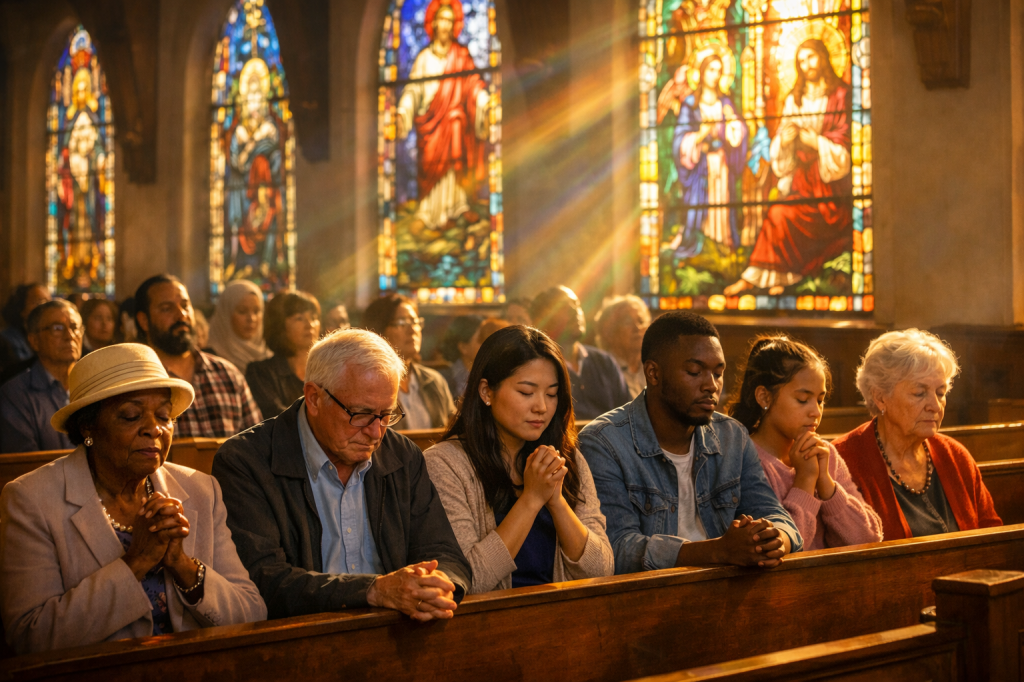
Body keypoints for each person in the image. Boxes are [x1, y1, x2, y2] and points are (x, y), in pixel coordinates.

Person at [0, 344, 266, 654]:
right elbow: (31, 636)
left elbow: (252, 613)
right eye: (130, 415)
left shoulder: (200, 490)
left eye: (164, 416)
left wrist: (183, 566)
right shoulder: (32, 500)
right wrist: (136, 561)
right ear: (88, 426)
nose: (154, 429)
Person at [212, 329, 471, 620]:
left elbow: (444, 552)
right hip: (298, 641)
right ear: (313, 398)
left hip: (398, 630)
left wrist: (436, 585)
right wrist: (373, 591)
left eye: (387, 414)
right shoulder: (248, 460)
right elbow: (264, 579)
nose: (376, 432)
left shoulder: (401, 455)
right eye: (360, 413)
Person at [580, 311, 801, 574]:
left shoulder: (732, 436)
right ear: (653, 373)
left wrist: (774, 539)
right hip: (647, 599)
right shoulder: (604, 442)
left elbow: (777, 517)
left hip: (727, 589)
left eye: (718, 374)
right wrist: (717, 551)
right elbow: (616, 549)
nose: (711, 385)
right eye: (695, 372)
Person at [424, 326, 614, 593]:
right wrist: (532, 498)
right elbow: (469, 580)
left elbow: (601, 570)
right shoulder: (445, 465)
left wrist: (556, 501)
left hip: (565, 617)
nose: (542, 407)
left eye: (551, 394)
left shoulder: (566, 457)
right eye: (526, 392)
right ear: (486, 392)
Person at [832, 329, 1002, 539]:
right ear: (880, 397)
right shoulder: (844, 460)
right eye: (919, 393)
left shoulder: (954, 455)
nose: (935, 405)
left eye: (940, 393)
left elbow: (992, 535)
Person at [726, 335, 882, 549]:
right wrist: (806, 480)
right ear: (764, 397)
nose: (816, 412)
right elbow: (776, 550)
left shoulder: (825, 454)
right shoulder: (747, 460)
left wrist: (826, 484)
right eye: (802, 400)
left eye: (820, 400)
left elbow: (868, 539)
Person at [725, 39, 852, 296]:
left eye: (812, 58)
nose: (807, 66)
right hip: (802, 183)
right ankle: (762, 278)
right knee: (778, 213)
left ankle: (777, 278)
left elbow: (845, 145)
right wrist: (784, 141)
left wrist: (815, 142)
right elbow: (781, 159)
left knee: (781, 214)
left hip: (829, 191)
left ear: (824, 58)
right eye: (802, 60)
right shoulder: (794, 99)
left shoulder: (840, 95)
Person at [396, 0, 490, 232]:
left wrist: (486, 104)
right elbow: (412, 91)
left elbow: (474, 85)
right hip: (430, 126)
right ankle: (428, 212)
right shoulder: (424, 59)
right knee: (431, 164)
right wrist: (402, 112)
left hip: (456, 124)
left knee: (456, 122)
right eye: (442, 20)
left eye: (450, 20)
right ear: (434, 24)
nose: (446, 26)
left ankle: (458, 205)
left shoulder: (462, 55)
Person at [134, 274, 262, 438]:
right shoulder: (137, 381)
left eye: (185, 306)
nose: (181, 315)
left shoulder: (228, 375)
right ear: (144, 320)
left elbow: (258, 443)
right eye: (167, 308)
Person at [669, 50, 748, 257]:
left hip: (721, 164)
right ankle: (700, 244)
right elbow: (679, 140)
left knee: (721, 203)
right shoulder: (690, 105)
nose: (716, 75)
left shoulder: (725, 103)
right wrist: (699, 135)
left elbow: (738, 135)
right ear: (702, 72)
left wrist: (732, 122)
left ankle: (722, 241)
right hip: (700, 166)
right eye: (711, 70)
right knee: (700, 204)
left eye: (719, 71)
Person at [530, 286, 630, 420]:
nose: (574, 311)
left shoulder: (604, 361)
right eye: (563, 307)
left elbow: (628, 414)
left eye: (576, 304)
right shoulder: (538, 367)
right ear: (543, 319)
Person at [0, 300, 82, 453]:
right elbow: (25, 465)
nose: (69, 335)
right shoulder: (15, 395)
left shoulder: (95, 386)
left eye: (74, 327)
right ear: (34, 340)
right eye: (57, 328)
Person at [363, 294, 454, 430]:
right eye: (401, 323)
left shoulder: (434, 381)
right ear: (379, 331)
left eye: (415, 322)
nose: (412, 330)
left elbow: (454, 432)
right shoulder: (368, 383)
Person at [246, 291, 321, 418]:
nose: (310, 325)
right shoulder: (261, 373)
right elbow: (277, 416)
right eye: (299, 318)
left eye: (313, 317)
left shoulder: (327, 371)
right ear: (280, 326)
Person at [207, 279, 271, 375]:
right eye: (242, 311)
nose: (251, 319)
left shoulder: (270, 356)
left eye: (256, 311)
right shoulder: (210, 360)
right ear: (226, 315)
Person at [595, 295, 651, 399]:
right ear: (608, 332)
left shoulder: (655, 367)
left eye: (641, 321)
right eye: (627, 322)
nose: (637, 328)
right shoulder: (599, 372)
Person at [0, 283, 52, 370]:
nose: (46, 308)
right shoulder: (5, 340)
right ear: (21, 308)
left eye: (49, 302)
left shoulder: (52, 336)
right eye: (39, 302)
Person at [438, 314, 484, 399]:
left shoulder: (490, 375)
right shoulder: (444, 380)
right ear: (463, 347)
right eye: (480, 339)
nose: (487, 343)